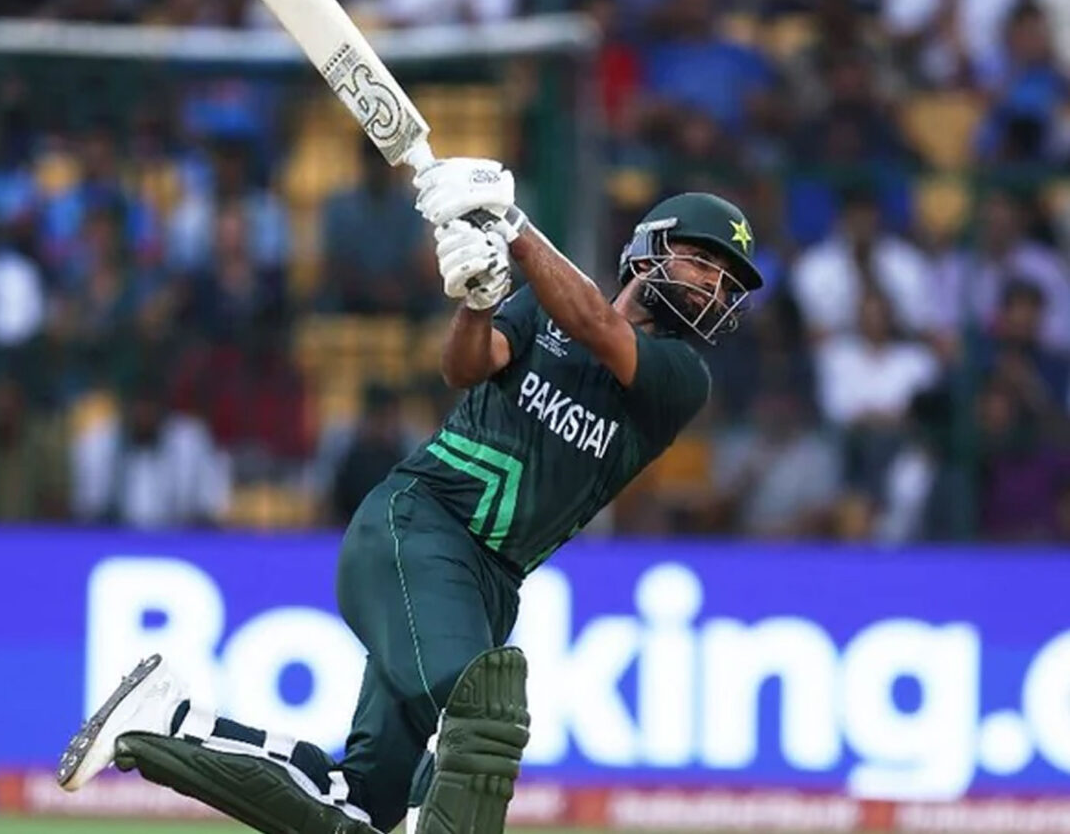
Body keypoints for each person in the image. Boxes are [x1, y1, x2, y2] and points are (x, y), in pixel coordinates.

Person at [56, 159, 765, 834]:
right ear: (648, 251)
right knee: (482, 712)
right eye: (702, 262)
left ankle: (163, 721)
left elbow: (598, 327)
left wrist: (512, 224)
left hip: (488, 585)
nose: (714, 287)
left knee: (357, 807)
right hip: (421, 528)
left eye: (727, 281)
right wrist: (477, 303)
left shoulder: (681, 377)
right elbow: (465, 367)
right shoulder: (540, 308)